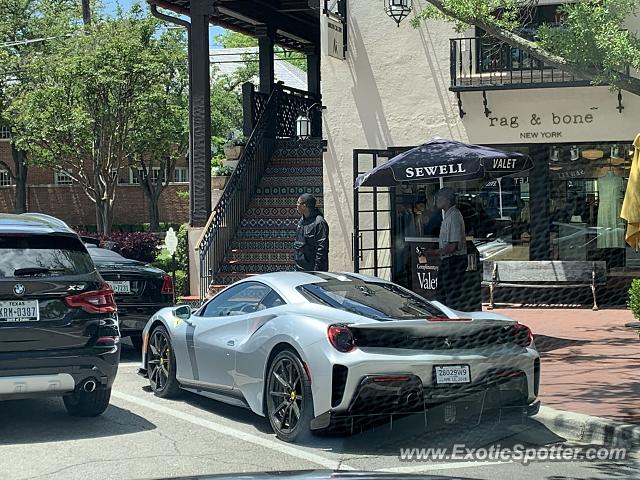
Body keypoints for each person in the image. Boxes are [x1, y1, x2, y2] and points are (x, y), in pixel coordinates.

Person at [429, 188, 468, 310]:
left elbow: (452, 246)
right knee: (443, 295)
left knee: (451, 296)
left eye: (439, 197)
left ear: (447, 199)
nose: (436, 200)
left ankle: (453, 320)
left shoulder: (454, 216)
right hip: (449, 261)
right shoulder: (448, 215)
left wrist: (433, 253)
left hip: (454, 262)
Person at [294, 194, 329, 271]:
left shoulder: (319, 223)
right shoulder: (301, 221)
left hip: (313, 272)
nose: (296, 205)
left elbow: (322, 250)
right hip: (300, 270)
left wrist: (317, 271)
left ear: (304, 206)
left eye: (298, 202)